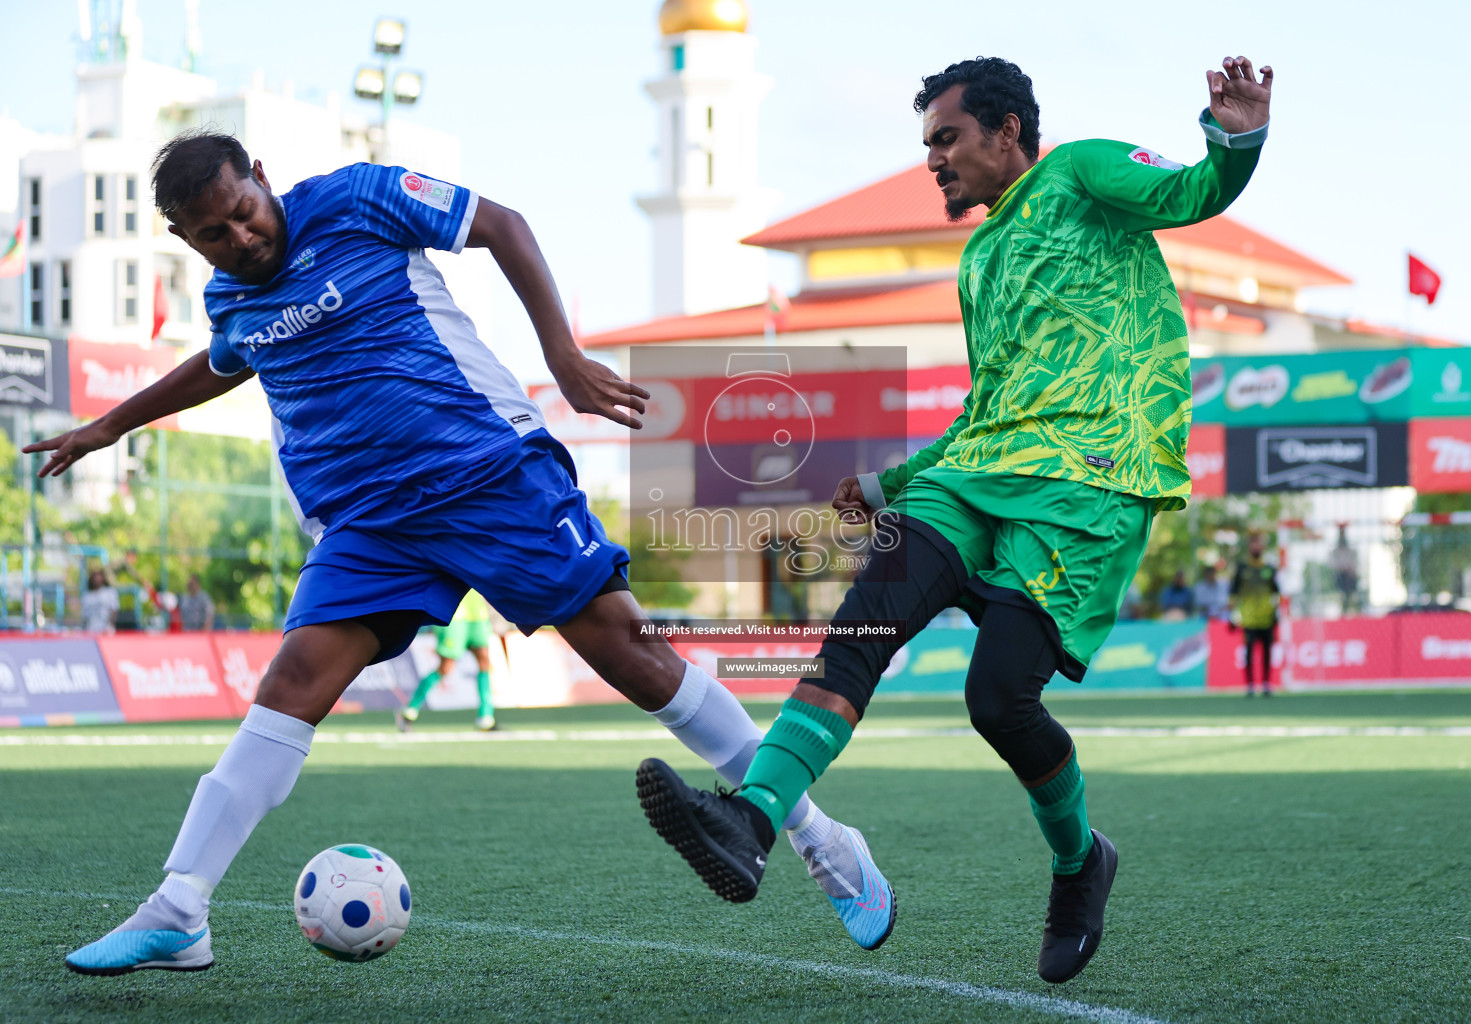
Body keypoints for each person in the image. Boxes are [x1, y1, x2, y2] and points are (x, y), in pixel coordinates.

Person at [33, 130, 893, 976]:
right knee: (290, 684)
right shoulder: (231, 297)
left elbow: (503, 224)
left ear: (261, 177)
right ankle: (179, 909)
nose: (241, 237)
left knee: (628, 653)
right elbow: (225, 362)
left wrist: (560, 355)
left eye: (244, 212)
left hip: (485, 472)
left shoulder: (354, 197)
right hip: (369, 522)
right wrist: (114, 423)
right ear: (185, 240)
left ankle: (821, 840)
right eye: (213, 233)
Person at [635, 55, 1272, 984]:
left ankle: (1079, 861)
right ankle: (752, 820)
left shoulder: (1086, 169)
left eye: (947, 139)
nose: (934, 159)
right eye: (927, 143)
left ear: (1007, 131)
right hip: (973, 475)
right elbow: (989, 407)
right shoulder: (978, 259)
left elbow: (1194, 190)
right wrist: (896, 482)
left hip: (1088, 483)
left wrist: (1238, 133)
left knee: (998, 701)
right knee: (859, 631)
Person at [397, 590, 498, 731]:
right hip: (454, 613)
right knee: (446, 667)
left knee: (484, 661)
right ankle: (409, 710)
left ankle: (486, 717)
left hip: (476, 610)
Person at [1229, 532, 1280, 696]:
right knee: (1249, 652)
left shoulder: (1269, 568)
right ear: (1250, 546)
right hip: (1248, 619)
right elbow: (1233, 593)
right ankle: (1250, 685)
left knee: (1267, 651)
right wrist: (1232, 616)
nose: (1257, 546)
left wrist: (1277, 614)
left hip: (1267, 618)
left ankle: (1266, 684)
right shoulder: (1242, 568)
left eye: (1260, 543)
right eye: (1254, 543)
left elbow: (1277, 593)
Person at [1329, 525, 1360, 615]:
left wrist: (1350, 570)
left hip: (1349, 577)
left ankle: (1353, 609)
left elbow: (1353, 565)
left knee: (1352, 595)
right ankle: (1343, 610)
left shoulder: (1350, 551)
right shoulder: (1335, 552)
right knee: (1342, 595)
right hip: (1341, 576)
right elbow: (1333, 566)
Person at [81, 569, 119, 634]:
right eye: (95, 577)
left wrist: (110, 625)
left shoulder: (110, 592)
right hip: (91, 630)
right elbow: (84, 616)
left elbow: (114, 610)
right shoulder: (87, 596)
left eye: (99, 577)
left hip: (106, 630)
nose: (96, 580)